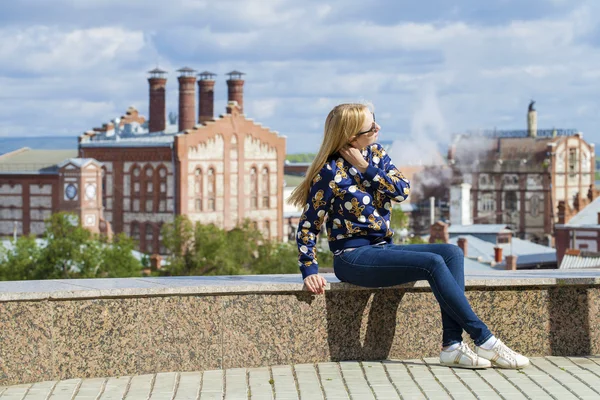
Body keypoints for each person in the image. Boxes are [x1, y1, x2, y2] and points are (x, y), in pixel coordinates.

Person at [288, 103, 529, 369]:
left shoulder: (377, 155)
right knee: (432, 263)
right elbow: (309, 225)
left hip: (382, 250)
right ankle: (486, 340)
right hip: (352, 258)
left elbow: (402, 191)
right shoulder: (329, 172)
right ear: (350, 136)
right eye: (371, 127)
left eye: (375, 121)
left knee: (451, 253)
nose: (378, 128)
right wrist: (308, 269)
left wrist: (365, 168)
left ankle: (452, 345)